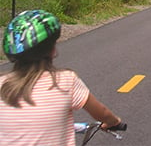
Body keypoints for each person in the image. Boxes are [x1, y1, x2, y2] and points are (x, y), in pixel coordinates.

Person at [0, 10, 122, 146]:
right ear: (52, 50)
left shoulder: (1, 84)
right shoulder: (65, 81)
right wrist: (113, 122)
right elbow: (103, 114)